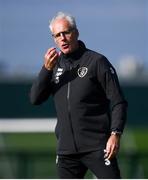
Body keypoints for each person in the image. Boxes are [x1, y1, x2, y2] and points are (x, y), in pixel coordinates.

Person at [30, 11, 128, 179]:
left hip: (97, 147)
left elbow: (118, 101)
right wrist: (45, 69)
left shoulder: (96, 62)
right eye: (57, 35)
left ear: (75, 32)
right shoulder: (53, 67)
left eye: (66, 32)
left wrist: (115, 134)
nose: (62, 38)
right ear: (54, 39)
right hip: (66, 152)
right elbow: (35, 99)